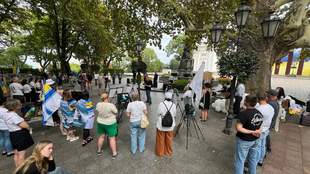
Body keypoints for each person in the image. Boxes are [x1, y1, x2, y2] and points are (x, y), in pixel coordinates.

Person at [234, 95, 263, 174]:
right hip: (255, 140)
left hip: (244, 140)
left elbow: (239, 128)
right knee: (252, 159)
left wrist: (251, 131)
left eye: (244, 100)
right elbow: (259, 127)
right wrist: (257, 131)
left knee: (240, 160)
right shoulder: (259, 113)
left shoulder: (243, 114)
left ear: (247, 102)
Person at [3, 99, 34, 167]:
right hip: (19, 134)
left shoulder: (7, 114)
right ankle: (21, 170)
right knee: (21, 154)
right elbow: (24, 125)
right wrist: (29, 127)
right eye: (19, 104)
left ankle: (17, 168)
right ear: (14, 106)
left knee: (16, 153)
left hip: (12, 134)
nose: (21, 104)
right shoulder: (13, 116)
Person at [96, 92, 118, 158]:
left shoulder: (98, 104)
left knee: (101, 137)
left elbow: (98, 111)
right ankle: (114, 153)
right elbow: (116, 112)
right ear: (107, 97)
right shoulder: (111, 105)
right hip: (110, 123)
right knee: (112, 138)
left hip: (100, 122)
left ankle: (99, 150)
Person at [255, 93, 274, 166]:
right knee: (263, 145)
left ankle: (256, 161)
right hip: (266, 129)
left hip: (260, 130)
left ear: (258, 99)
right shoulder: (271, 107)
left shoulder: (259, 109)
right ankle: (261, 160)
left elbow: (256, 121)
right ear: (265, 98)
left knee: (258, 146)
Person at [155, 92, 176, 157]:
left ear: (165, 97)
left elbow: (158, 113)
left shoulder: (161, 104)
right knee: (169, 139)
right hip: (170, 125)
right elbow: (174, 114)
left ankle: (160, 152)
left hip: (161, 124)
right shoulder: (173, 105)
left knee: (160, 139)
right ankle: (168, 152)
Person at [266, 89, 279, 153]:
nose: (267, 96)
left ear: (271, 96)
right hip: (272, 122)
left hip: (270, 122)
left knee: (266, 135)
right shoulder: (275, 102)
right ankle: (268, 147)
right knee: (267, 135)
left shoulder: (271, 103)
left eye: (268, 94)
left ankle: (268, 148)